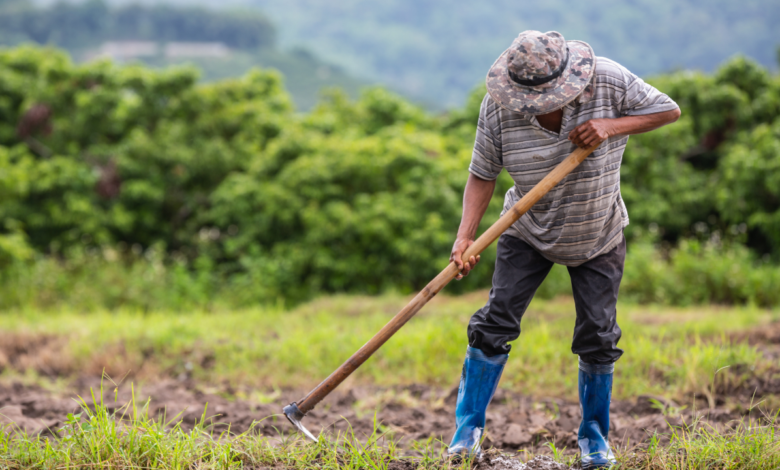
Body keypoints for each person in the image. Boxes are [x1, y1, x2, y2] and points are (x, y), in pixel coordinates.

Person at [447, 30, 681, 468]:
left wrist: (611, 126)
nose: (536, 106)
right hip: (526, 228)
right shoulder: (499, 107)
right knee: (495, 322)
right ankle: (467, 434)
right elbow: (482, 173)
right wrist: (465, 237)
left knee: (597, 334)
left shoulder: (608, 80)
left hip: (598, 230)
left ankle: (594, 440)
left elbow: (668, 110)